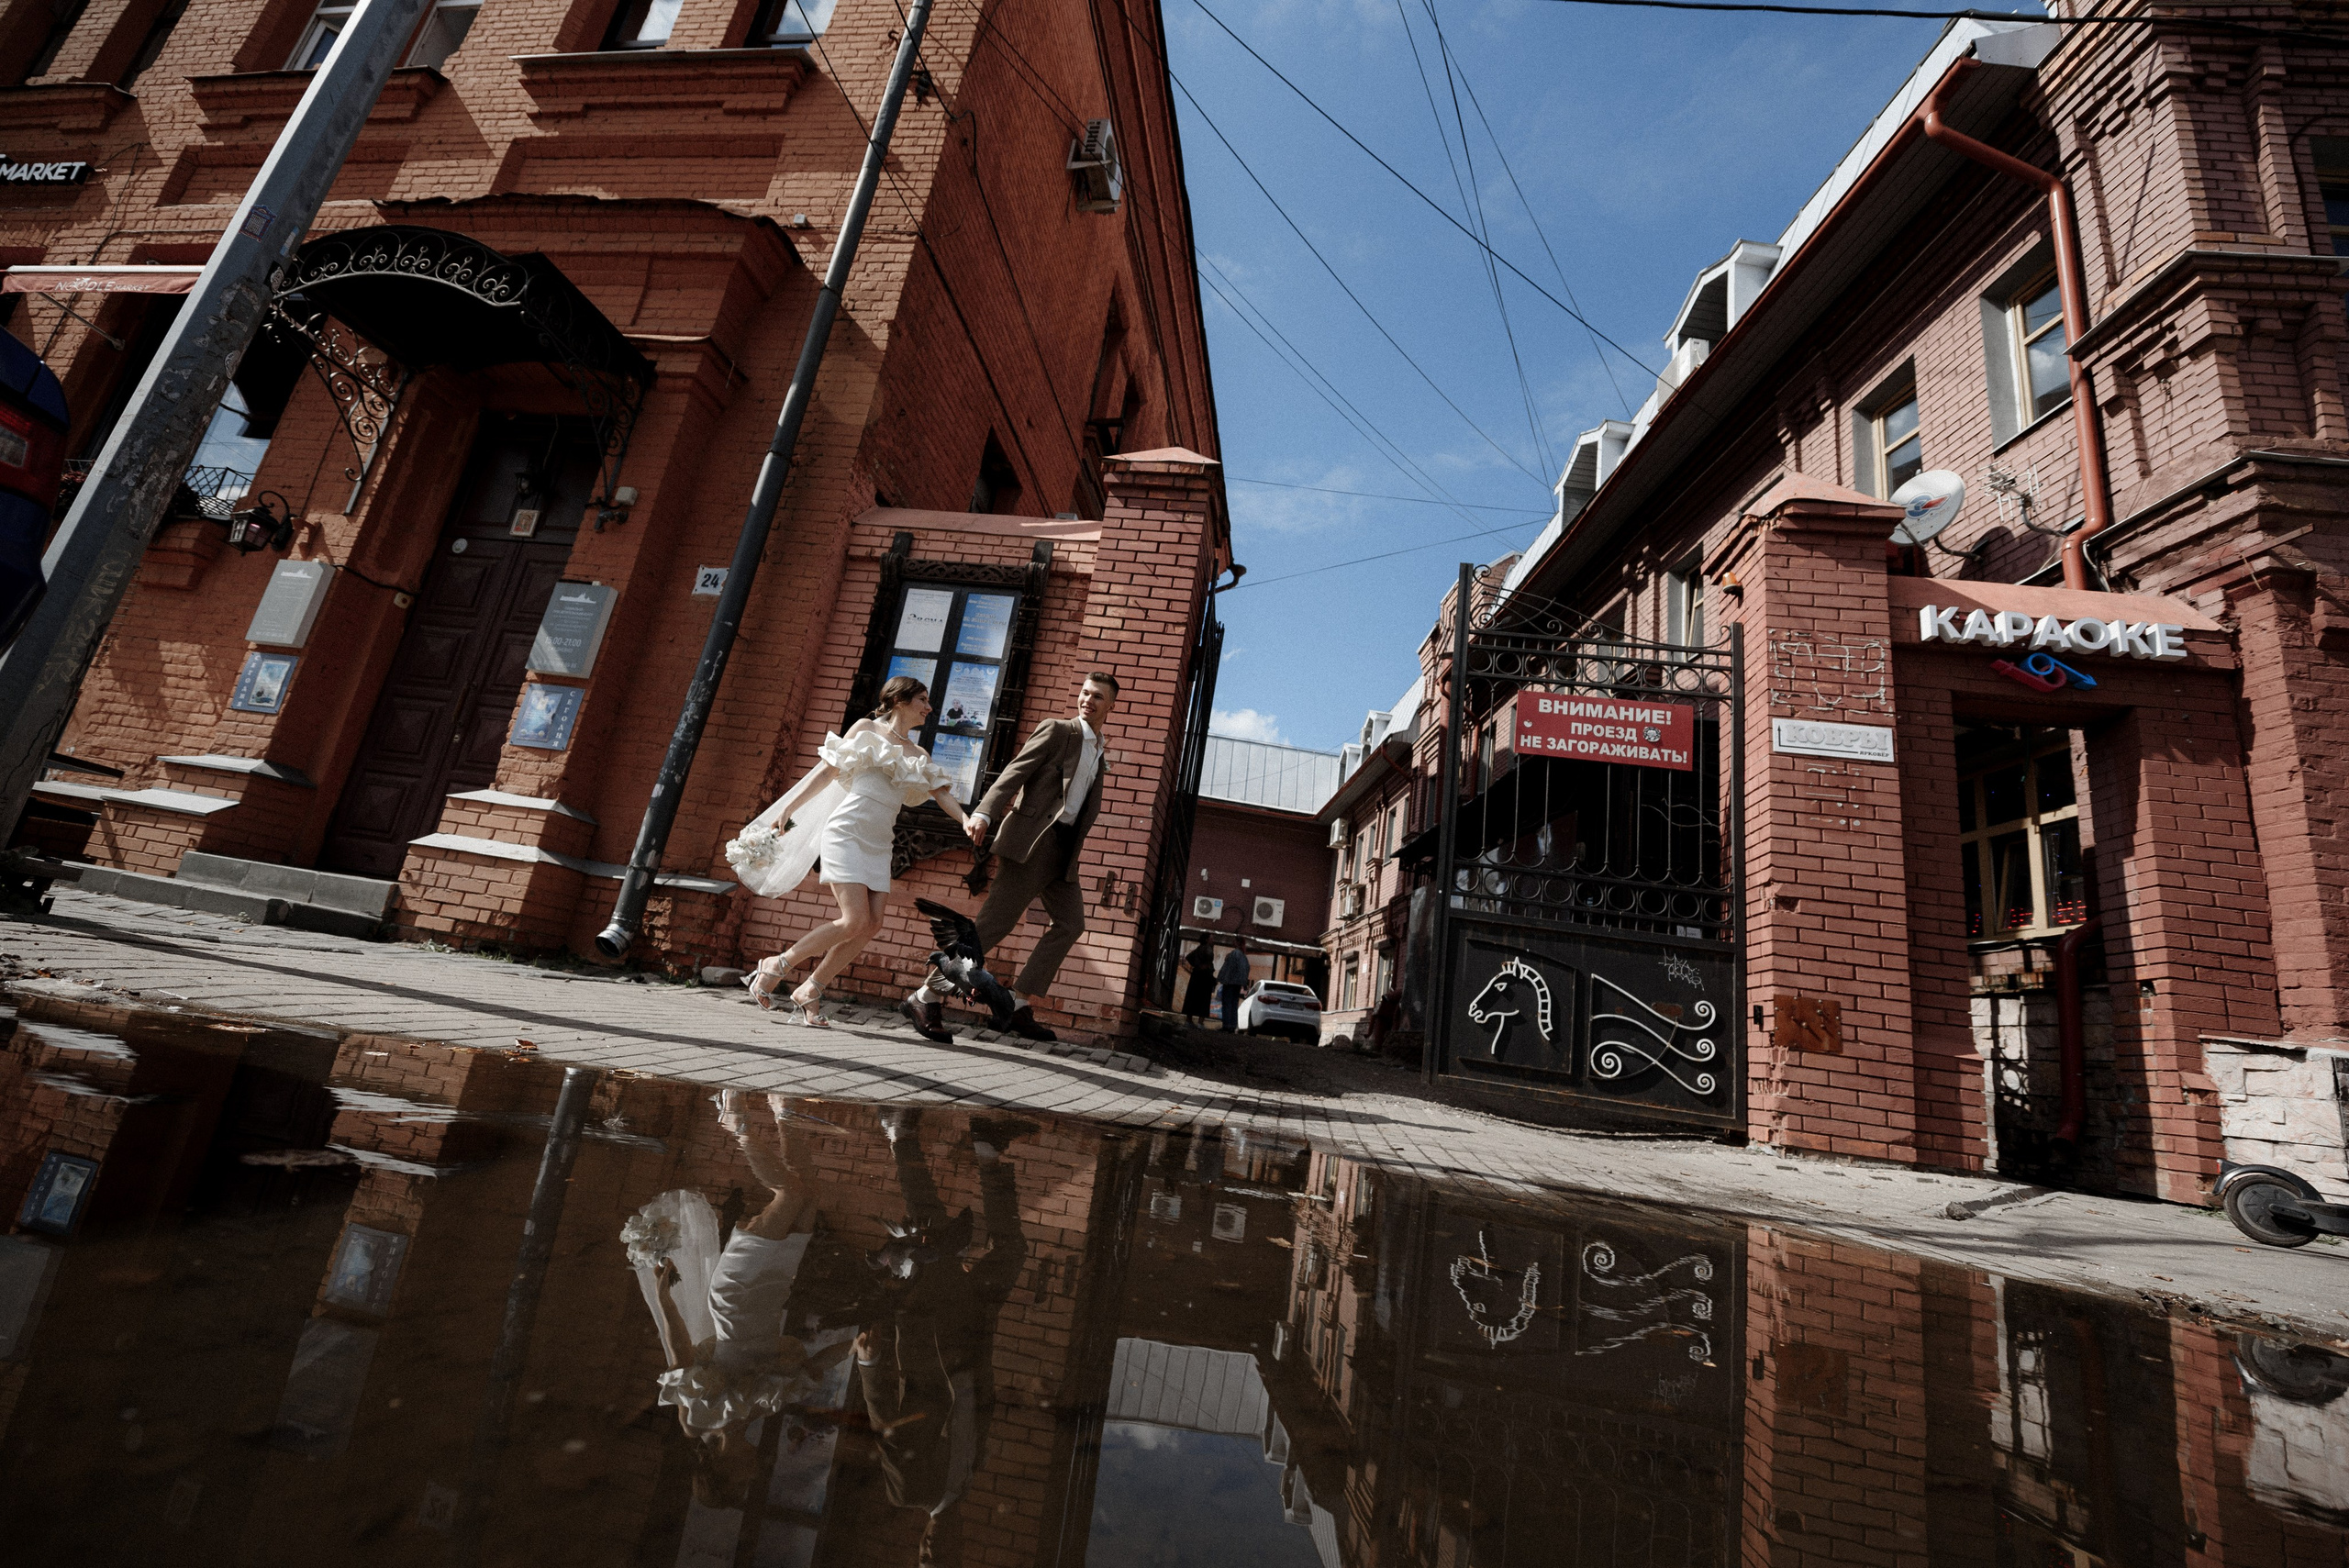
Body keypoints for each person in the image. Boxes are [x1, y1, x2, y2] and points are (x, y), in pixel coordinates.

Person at [624, 1092, 854, 1509]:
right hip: (773, 1290)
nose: (754, 1473)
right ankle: (783, 1111)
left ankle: (737, 1123)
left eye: (743, 1481)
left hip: (736, 1298)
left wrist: (665, 1300)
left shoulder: (698, 1420)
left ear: (723, 1472)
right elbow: (816, 1365)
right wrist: (859, 1344)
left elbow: (680, 1355)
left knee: (789, 1194)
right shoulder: (761, 1408)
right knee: (809, 1193)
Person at [731, 676, 974, 1028]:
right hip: (846, 831)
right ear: (900, 700)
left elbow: (942, 794)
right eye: (922, 699)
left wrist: (966, 819)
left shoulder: (919, 755)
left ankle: (811, 989)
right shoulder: (866, 729)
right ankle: (777, 965)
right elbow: (827, 772)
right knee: (853, 920)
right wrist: (790, 809)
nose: (929, 707)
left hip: (879, 842)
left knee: (871, 924)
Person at [903, 673, 1118, 1044]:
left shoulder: (1098, 748)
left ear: (1110, 705)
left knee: (1070, 924)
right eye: (1085, 693)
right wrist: (985, 812)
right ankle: (925, 996)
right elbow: (1016, 771)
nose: (1088, 700)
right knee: (991, 928)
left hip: (1064, 851)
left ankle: (1015, 1005)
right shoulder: (1058, 731)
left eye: (1097, 696)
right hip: (1030, 843)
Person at [1179, 935, 1217, 1024]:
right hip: (1205, 977)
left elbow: (1189, 957)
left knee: (1192, 997)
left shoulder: (1199, 948)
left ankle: (1189, 1019)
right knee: (1204, 999)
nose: (1213, 940)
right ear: (1207, 940)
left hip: (1196, 975)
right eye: (1211, 938)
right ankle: (1200, 1021)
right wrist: (1205, 966)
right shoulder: (1208, 949)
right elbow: (1209, 960)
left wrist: (1197, 965)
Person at [1217, 937, 1252, 1032]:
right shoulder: (1243, 956)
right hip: (1237, 984)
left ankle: (1226, 1025)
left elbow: (1229, 969)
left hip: (1230, 982)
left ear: (1237, 942)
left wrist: (1222, 979)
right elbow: (1246, 969)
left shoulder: (1234, 954)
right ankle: (1232, 1025)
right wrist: (1243, 983)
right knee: (1234, 1004)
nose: (1233, 942)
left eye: (1234, 941)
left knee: (1227, 1003)